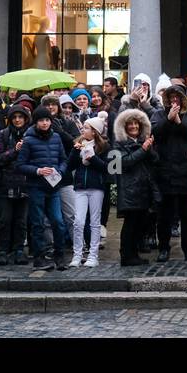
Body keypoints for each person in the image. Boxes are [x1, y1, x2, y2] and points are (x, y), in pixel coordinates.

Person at [16, 105, 71, 271]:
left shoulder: (56, 138)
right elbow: (20, 165)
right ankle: (39, 258)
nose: (45, 123)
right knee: (38, 223)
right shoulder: (28, 140)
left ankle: (59, 255)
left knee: (58, 222)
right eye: (41, 120)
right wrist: (38, 171)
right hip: (36, 187)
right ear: (36, 122)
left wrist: (60, 171)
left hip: (53, 187)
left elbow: (64, 159)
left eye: (47, 120)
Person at [150, 86, 187, 263]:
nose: (174, 102)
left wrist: (179, 122)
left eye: (177, 98)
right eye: (170, 98)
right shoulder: (159, 114)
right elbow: (154, 133)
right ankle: (164, 248)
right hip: (165, 171)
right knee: (164, 215)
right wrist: (168, 120)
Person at [111, 107, 157, 267]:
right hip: (129, 189)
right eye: (130, 124)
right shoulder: (118, 144)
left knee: (140, 224)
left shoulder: (144, 141)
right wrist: (143, 150)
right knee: (130, 224)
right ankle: (126, 255)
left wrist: (149, 149)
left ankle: (134, 254)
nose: (133, 127)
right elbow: (122, 163)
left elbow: (155, 160)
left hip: (144, 189)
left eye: (136, 124)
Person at [0, 101, 32, 267]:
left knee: (21, 220)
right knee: (4, 219)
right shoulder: (2, 134)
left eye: (20, 117)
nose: (17, 120)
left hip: (24, 184)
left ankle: (18, 249)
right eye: (14, 117)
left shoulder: (31, 135)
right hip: (5, 184)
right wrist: (14, 151)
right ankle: (3, 250)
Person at [67, 111, 109, 267]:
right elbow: (69, 165)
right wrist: (74, 151)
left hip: (96, 187)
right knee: (78, 221)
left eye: (86, 128)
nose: (83, 130)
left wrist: (92, 158)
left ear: (94, 131)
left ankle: (93, 255)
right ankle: (77, 255)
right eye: (83, 127)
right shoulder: (78, 143)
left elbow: (108, 168)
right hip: (80, 187)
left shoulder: (104, 147)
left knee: (95, 222)